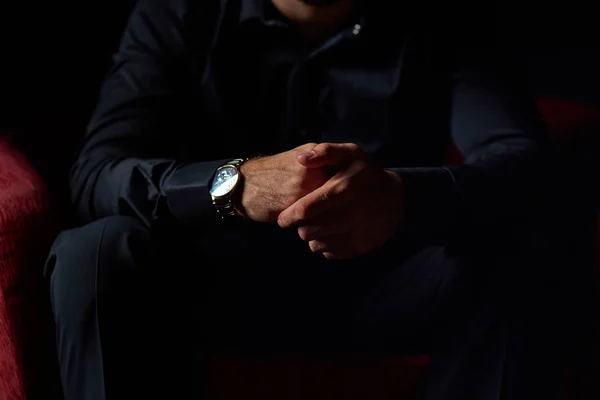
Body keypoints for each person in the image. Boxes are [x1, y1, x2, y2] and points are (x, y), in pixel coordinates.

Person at [44, 0, 594, 399]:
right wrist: (234, 185)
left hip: (382, 285)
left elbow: (524, 164)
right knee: (91, 251)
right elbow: (97, 174)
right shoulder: (176, 13)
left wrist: (402, 196)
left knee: (527, 242)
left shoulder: (441, 16)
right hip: (208, 285)